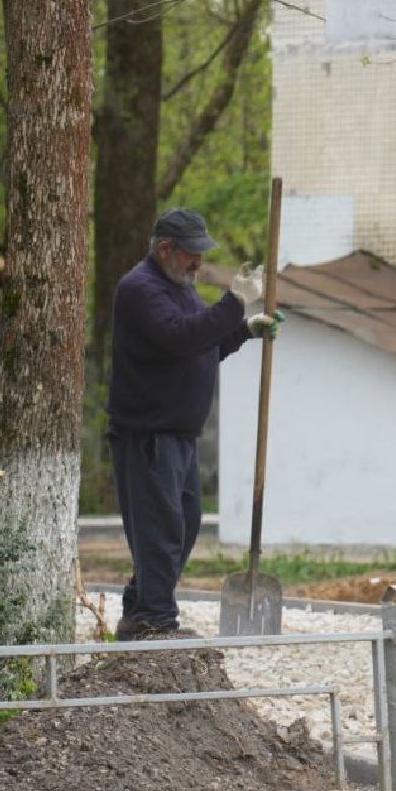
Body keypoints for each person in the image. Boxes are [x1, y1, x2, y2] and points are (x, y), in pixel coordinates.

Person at [107, 208, 282, 640]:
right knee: (160, 530)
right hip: (148, 434)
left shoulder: (179, 289)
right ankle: (156, 621)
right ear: (166, 248)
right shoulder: (140, 290)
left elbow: (201, 346)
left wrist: (244, 330)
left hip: (177, 434)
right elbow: (182, 337)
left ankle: (140, 609)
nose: (198, 262)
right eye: (192, 254)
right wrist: (235, 301)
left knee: (181, 525)